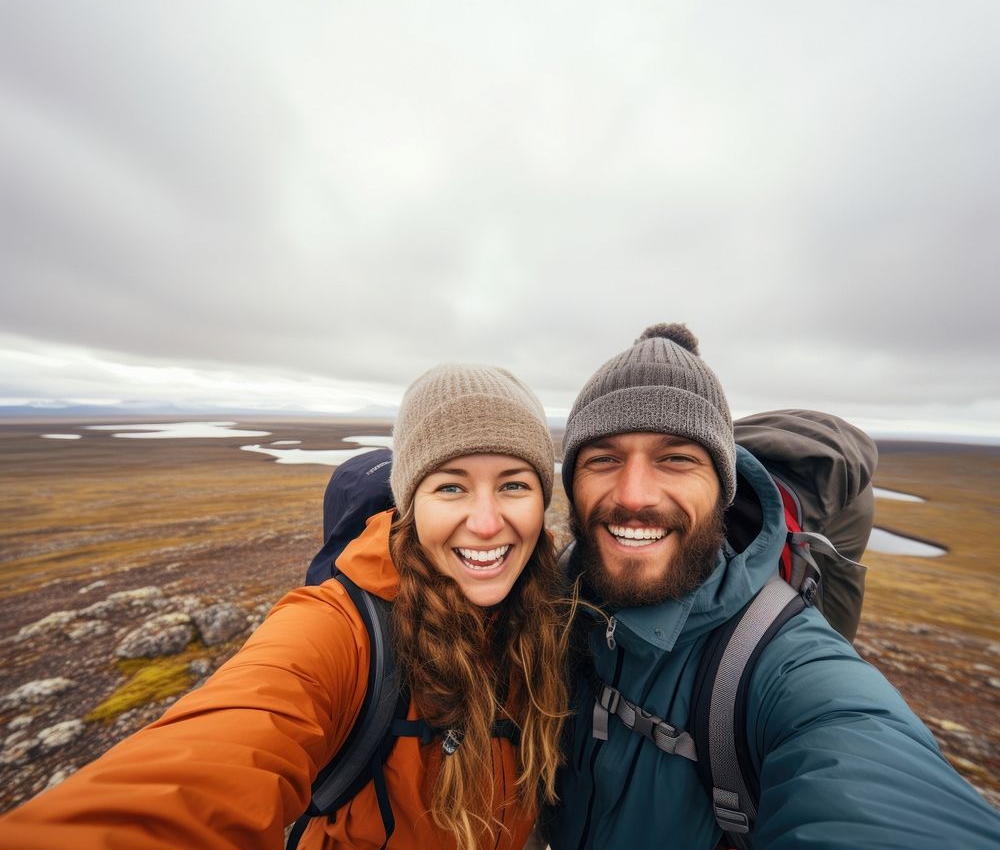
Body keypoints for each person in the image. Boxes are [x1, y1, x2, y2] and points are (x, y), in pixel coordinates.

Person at [0, 363, 572, 850]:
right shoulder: (338, 629)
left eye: (514, 484)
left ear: (543, 498)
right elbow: (211, 761)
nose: (488, 521)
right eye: (451, 486)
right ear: (409, 504)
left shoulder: (560, 609)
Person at [545, 323, 999, 849]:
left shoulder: (783, 665)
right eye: (603, 458)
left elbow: (868, 775)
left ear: (723, 488)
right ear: (572, 485)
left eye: (677, 459)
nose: (635, 494)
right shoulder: (554, 605)